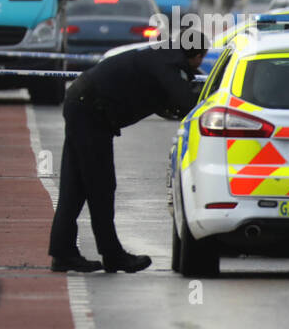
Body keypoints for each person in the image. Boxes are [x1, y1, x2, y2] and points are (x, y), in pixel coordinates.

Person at [47, 38, 207, 273]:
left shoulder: (163, 56)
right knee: (101, 186)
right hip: (91, 112)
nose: (199, 64)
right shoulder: (166, 65)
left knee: (75, 185)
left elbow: (167, 99)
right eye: (200, 58)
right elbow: (186, 101)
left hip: (81, 104)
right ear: (197, 55)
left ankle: (63, 253)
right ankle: (112, 255)